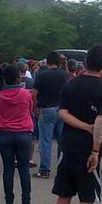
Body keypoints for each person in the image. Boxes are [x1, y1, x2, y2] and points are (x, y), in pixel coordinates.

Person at [52, 44, 102, 204]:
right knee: (87, 195)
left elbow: (63, 113)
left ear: (85, 63)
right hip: (87, 149)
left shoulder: (71, 84)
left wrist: (81, 125)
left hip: (68, 145)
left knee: (64, 192)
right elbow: (101, 122)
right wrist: (95, 150)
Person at [0, 65, 34, 204]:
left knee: (8, 168)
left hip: (5, 133)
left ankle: (9, 201)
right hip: (23, 133)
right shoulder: (25, 94)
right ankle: (26, 201)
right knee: (24, 168)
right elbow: (29, 109)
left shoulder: (0, 96)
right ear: (18, 77)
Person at [32, 51, 69, 179]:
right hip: (62, 110)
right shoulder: (65, 75)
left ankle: (44, 170)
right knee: (62, 140)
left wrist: (35, 107)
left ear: (47, 61)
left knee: (46, 141)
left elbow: (34, 94)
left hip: (46, 109)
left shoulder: (42, 75)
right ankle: (63, 169)